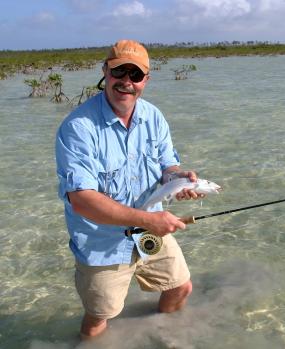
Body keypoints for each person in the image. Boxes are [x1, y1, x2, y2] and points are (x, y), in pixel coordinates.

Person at [55, 39, 202, 338]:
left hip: (150, 230)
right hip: (102, 243)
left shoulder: (154, 117)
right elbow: (82, 200)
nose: (126, 82)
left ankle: (156, 334)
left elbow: (166, 167)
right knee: (100, 317)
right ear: (105, 72)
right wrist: (148, 220)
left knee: (180, 287)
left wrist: (178, 178)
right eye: (119, 71)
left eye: (135, 75)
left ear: (145, 80)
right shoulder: (78, 128)